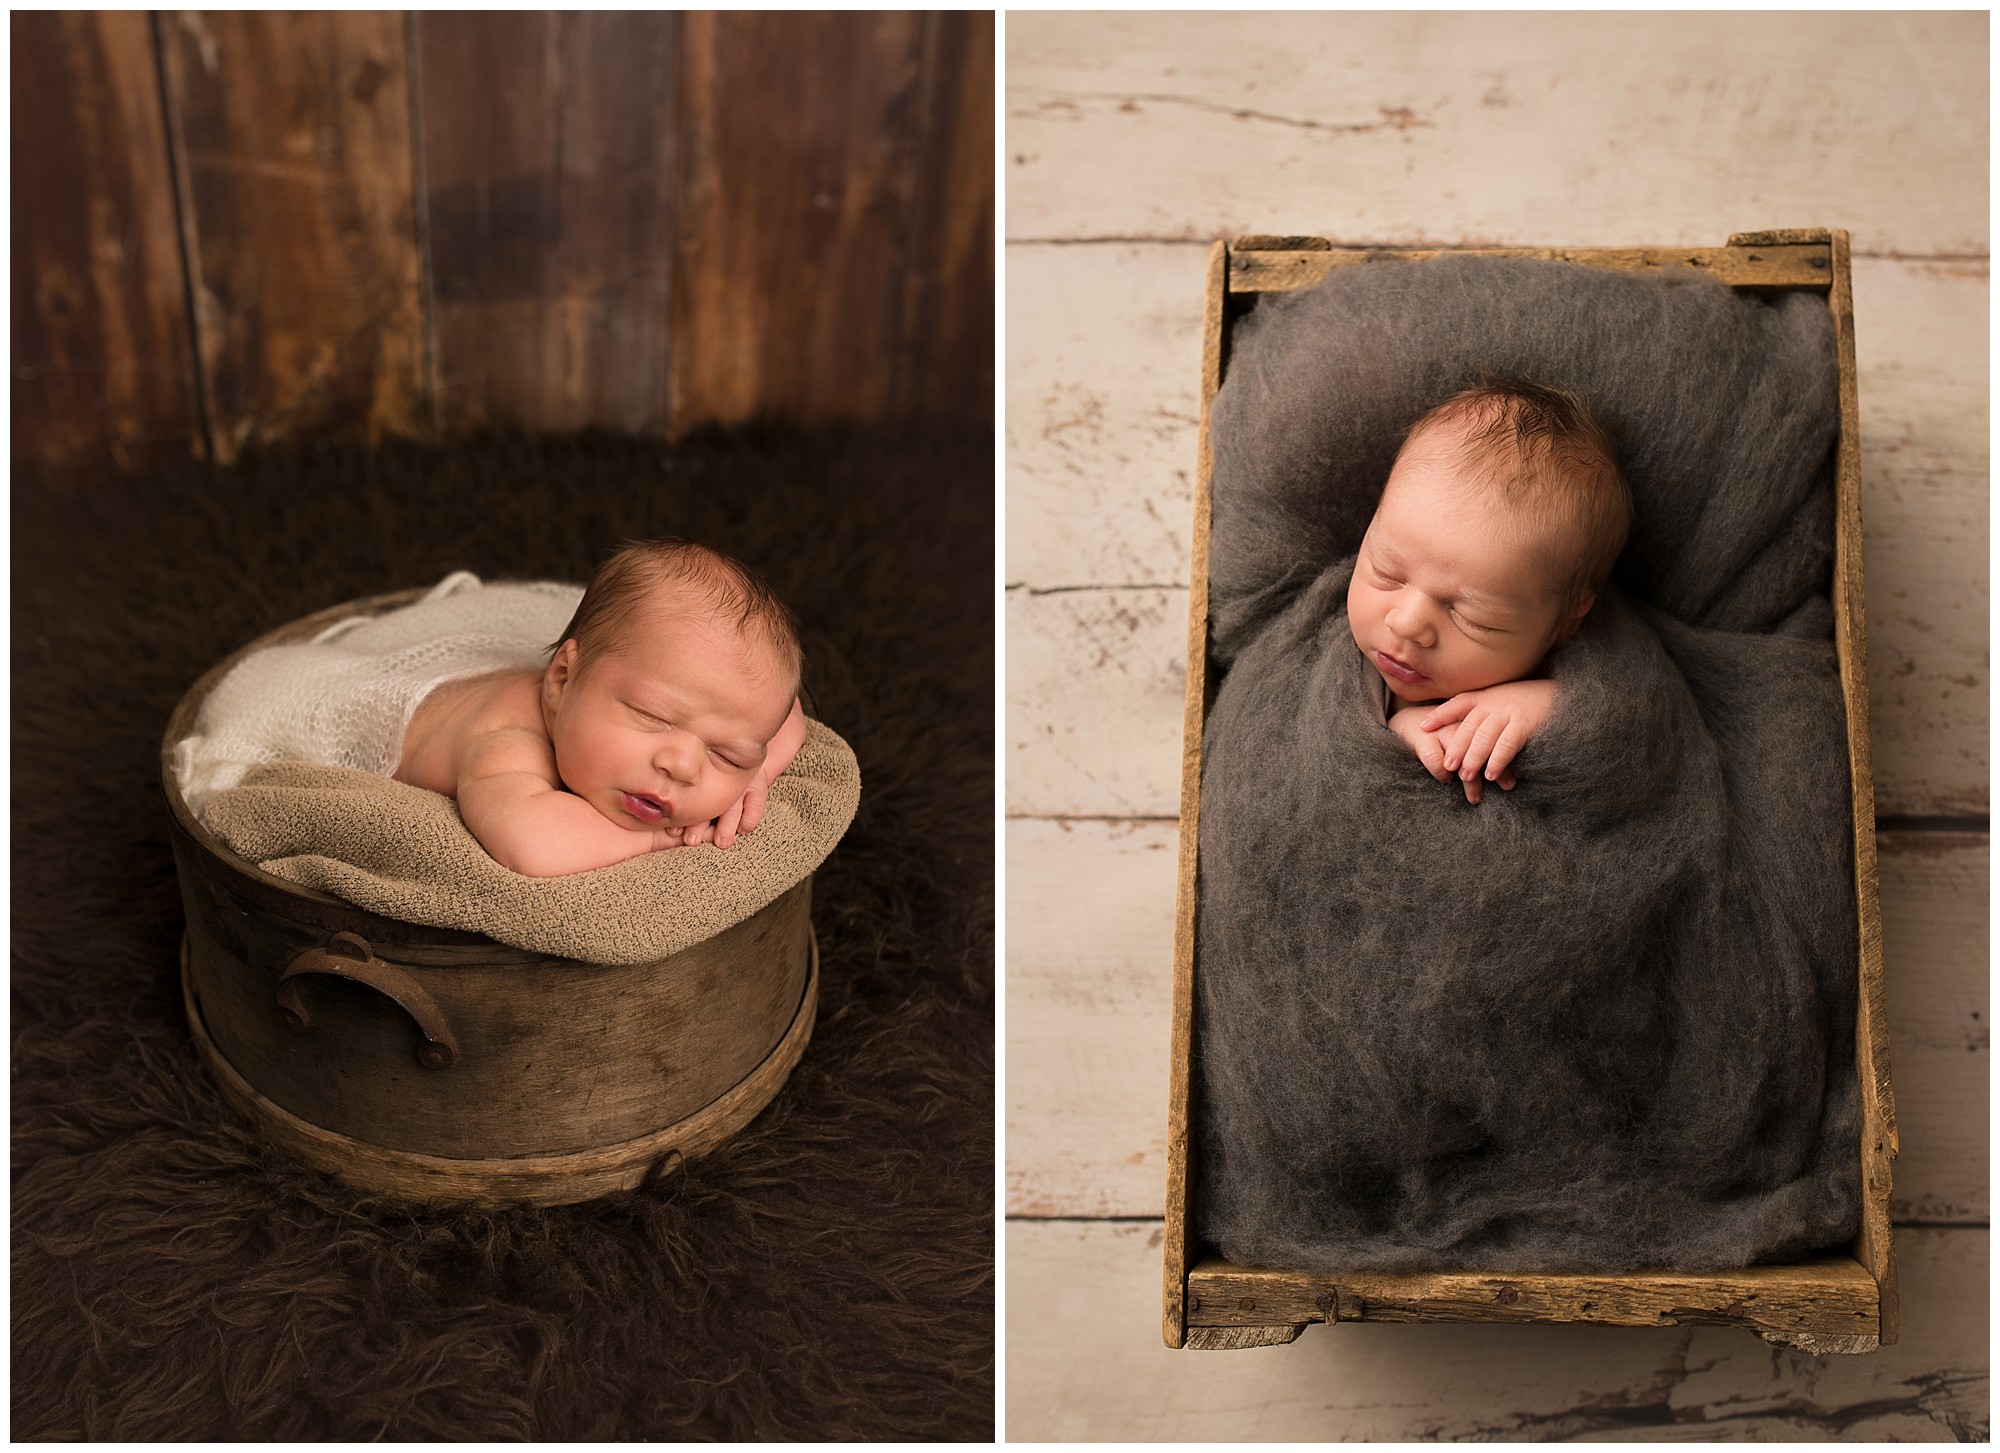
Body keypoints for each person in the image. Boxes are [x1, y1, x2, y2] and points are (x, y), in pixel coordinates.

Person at [394, 540, 809, 876]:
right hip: (405, 723)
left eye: (725, 754)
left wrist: (757, 774)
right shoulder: (508, 744)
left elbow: (783, 712)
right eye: (652, 717)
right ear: (561, 680)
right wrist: (654, 841)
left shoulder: (672, 706)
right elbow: (533, 845)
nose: (683, 767)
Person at [1347, 380, 1632, 804]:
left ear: (1569, 618)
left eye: (1472, 617)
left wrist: (1559, 706)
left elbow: (1635, 719)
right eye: (1387, 573)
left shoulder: (1588, 661)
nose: (1405, 623)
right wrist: (1400, 726)